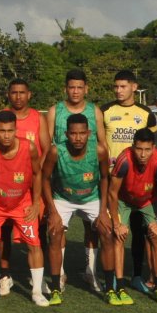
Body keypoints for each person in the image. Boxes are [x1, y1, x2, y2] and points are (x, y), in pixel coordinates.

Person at [0, 110, 48, 307]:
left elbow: (38, 174)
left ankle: (37, 292)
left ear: (16, 130)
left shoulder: (29, 148)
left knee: (34, 245)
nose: (6, 135)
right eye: (2, 131)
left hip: (23, 205)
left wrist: (35, 202)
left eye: (10, 131)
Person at [46, 68, 107, 291]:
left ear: (86, 89)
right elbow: (48, 144)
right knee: (58, 229)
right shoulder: (55, 111)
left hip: (89, 181)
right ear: (66, 88)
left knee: (93, 229)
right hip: (62, 182)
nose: (75, 91)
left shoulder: (95, 111)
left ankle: (90, 271)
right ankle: (60, 274)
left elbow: (102, 143)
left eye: (79, 87)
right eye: (71, 87)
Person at [41, 113, 112, 305]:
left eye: (82, 133)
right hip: (63, 198)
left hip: (91, 197)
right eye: (73, 133)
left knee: (106, 232)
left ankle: (111, 288)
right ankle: (56, 287)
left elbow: (105, 178)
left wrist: (103, 210)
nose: (78, 138)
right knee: (54, 233)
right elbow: (44, 178)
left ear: (89, 133)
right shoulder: (56, 151)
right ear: (66, 133)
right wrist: (53, 211)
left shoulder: (99, 150)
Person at [0, 78, 50, 297]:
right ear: (8, 94)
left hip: (31, 187)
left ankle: (38, 279)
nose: (18, 96)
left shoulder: (38, 118)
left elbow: (44, 152)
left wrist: (34, 179)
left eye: (22, 92)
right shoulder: (0, 119)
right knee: (3, 232)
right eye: (13, 92)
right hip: (5, 189)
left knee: (37, 231)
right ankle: (5, 275)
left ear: (29, 94)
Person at [101, 70, 157, 294]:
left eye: (123, 86)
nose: (118, 90)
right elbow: (100, 143)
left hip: (139, 180)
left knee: (138, 230)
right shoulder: (106, 110)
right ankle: (114, 277)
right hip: (113, 180)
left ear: (134, 87)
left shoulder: (145, 113)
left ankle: (136, 275)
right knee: (115, 230)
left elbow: (153, 146)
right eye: (116, 86)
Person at [107, 128, 157, 306]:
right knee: (119, 236)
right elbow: (112, 193)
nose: (143, 154)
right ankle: (119, 286)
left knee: (156, 236)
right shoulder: (124, 159)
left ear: (154, 148)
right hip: (124, 200)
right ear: (133, 147)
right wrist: (116, 223)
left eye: (147, 149)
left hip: (147, 201)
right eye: (139, 149)